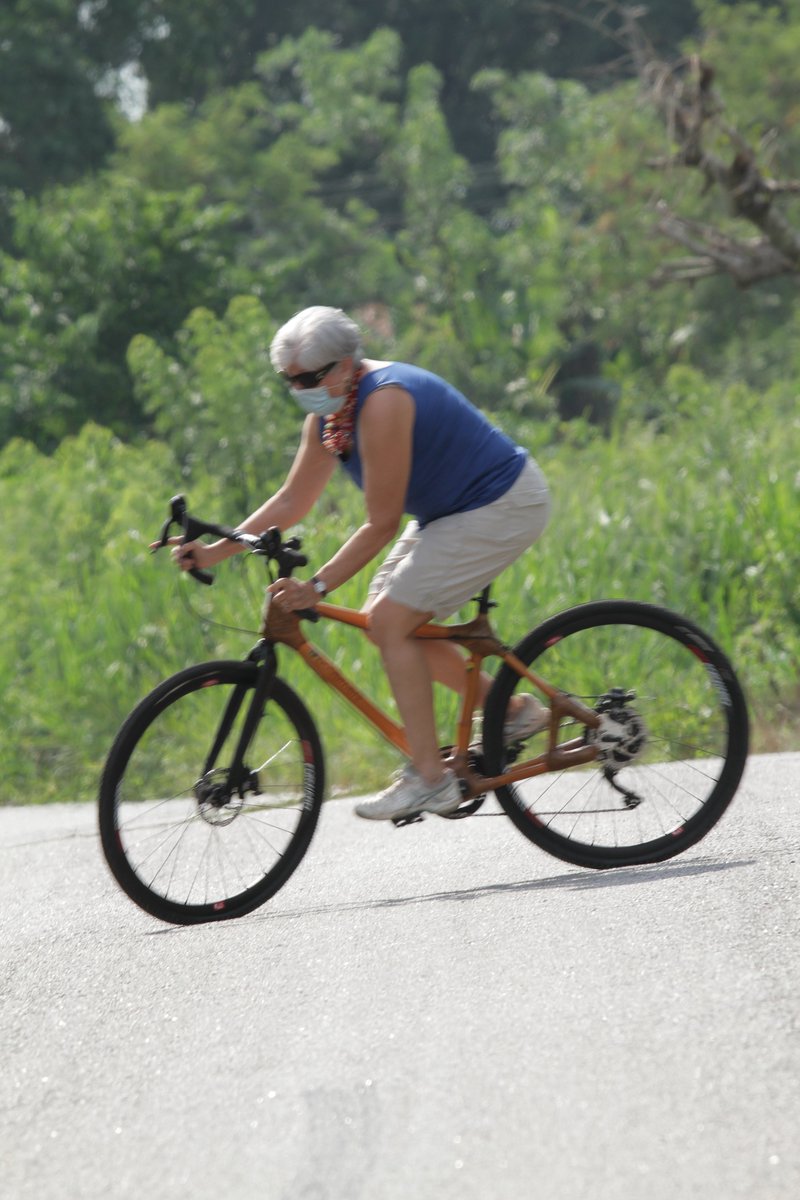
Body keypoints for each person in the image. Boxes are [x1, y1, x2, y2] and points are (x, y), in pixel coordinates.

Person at [171, 305, 551, 822]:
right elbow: (291, 500)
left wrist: (318, 587)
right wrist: (217, 549)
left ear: (347, 364)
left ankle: (431, 781)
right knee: (383, 623)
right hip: (452, 511)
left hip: (501, 503)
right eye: (289, 379)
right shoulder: (330, 415)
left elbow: (382, 523)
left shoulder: (383, 402)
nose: (298, 387)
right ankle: (512, 712)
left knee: (392, 622)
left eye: (309, 376)